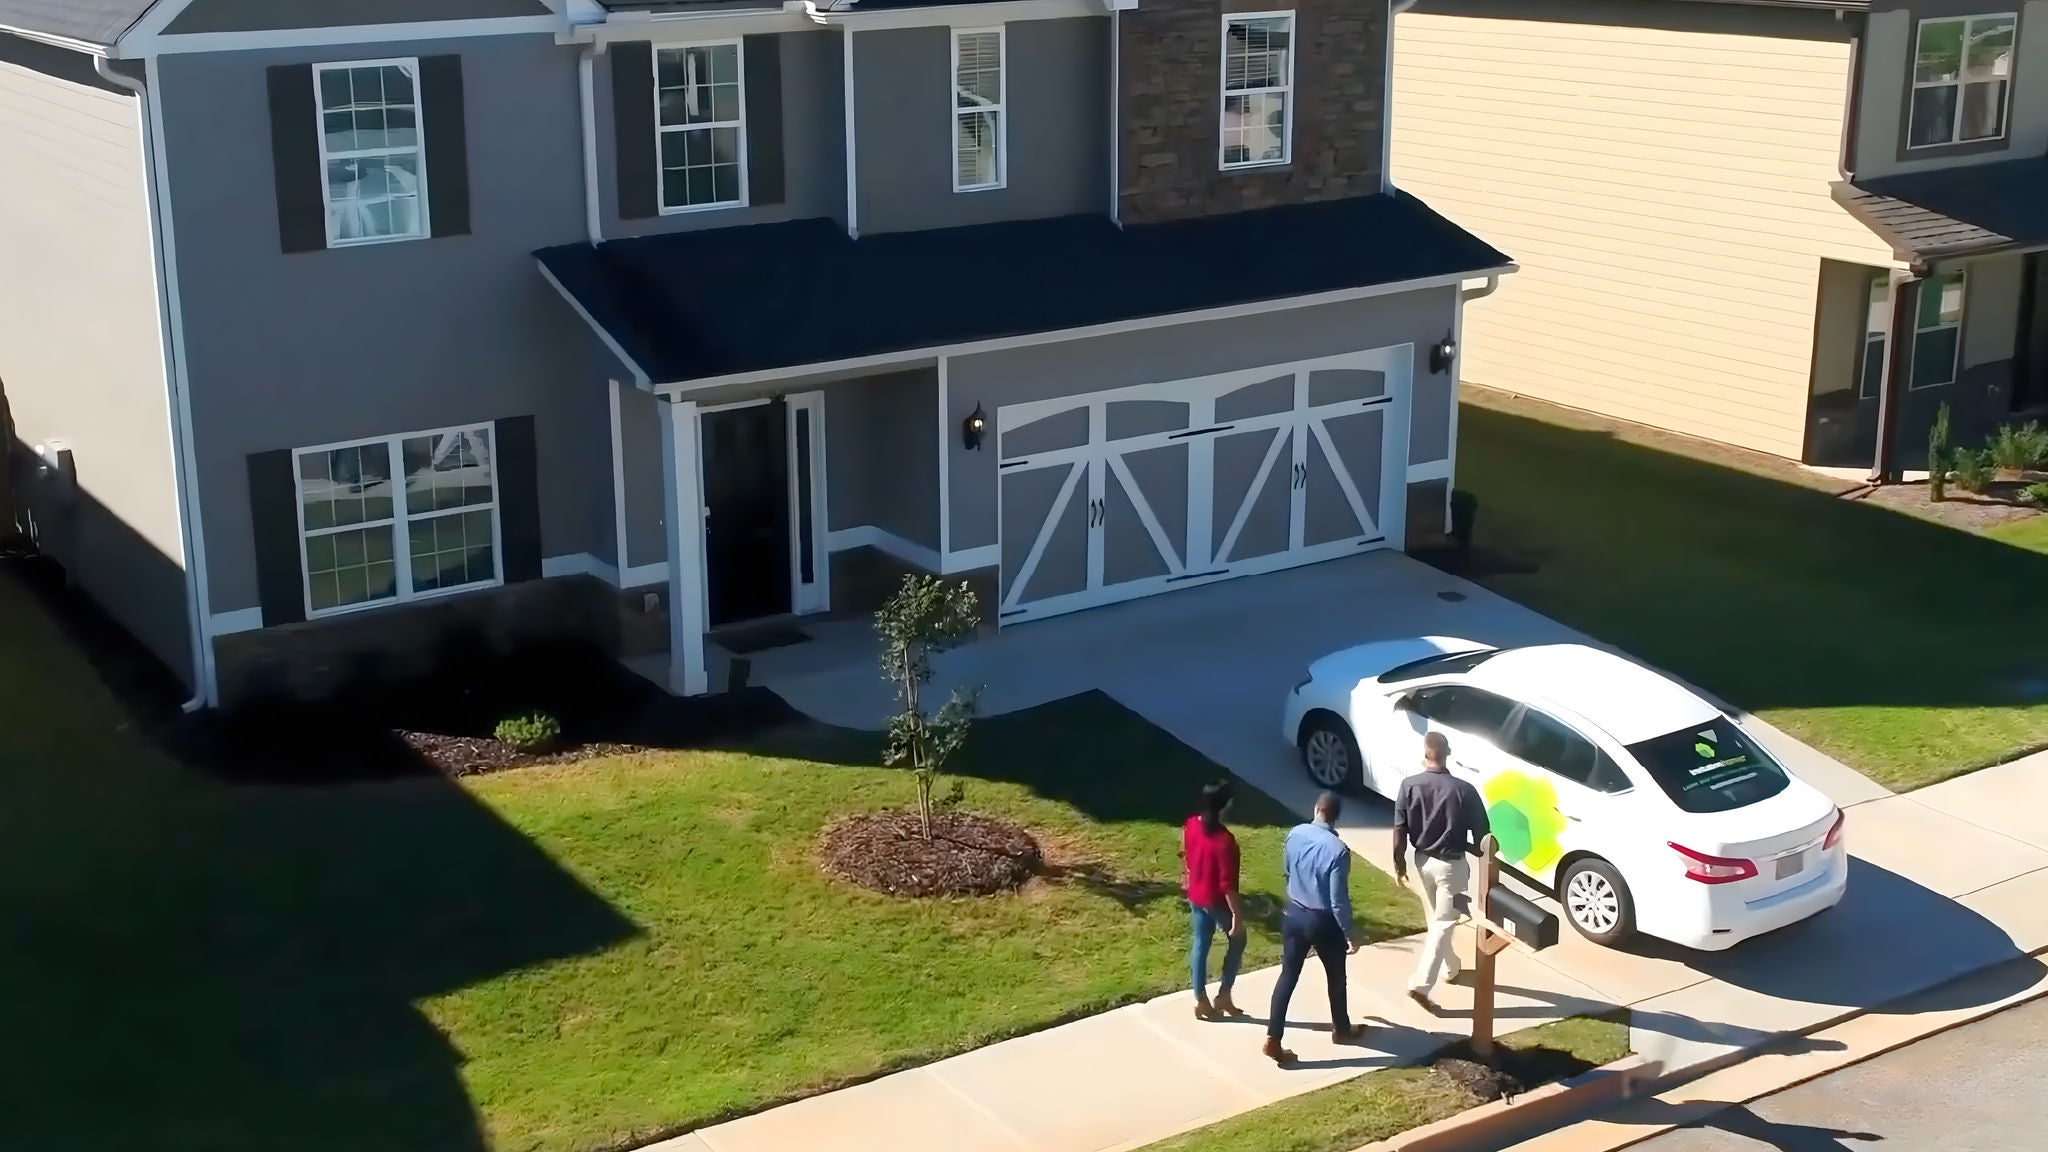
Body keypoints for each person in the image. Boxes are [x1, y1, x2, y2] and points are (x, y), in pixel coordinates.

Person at [1265, 791, 1368, 1064]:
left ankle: (1273, 1038)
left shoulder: (1295, 834)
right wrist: (1349, 933)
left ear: (1316, 809)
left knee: (1288, 976)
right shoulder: (1338, 851)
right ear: (1336, 817)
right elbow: (1338, 901)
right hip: (1322, 921)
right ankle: (1341, 1029)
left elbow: (1287, 871)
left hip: (1293, 912)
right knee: (1336, 977)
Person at [1392, 731, 1491, 1011]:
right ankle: (1420, 985)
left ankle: (1451, 968)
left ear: (1425, 753)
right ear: (1447, 752)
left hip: (1422, 862)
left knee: (1437, 921)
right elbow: (1484, 835)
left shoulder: (1408, 786)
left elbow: (1400, 830)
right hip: (1452, 867)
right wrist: (1475, 850)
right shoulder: (1464, 790)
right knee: (1444, 923)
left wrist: (1399, 865)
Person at [1183, 780, 1247, 1020]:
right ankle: (1224, 994)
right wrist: (1237, 917)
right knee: (1238, 940)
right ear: (1224, 806)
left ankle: (1200, 998)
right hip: (1215, 900)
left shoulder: (1191, 824)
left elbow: (1187, 854)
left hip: (1196, 895)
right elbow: (1227, 886)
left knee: (1200, 943)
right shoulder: (1224, 841)